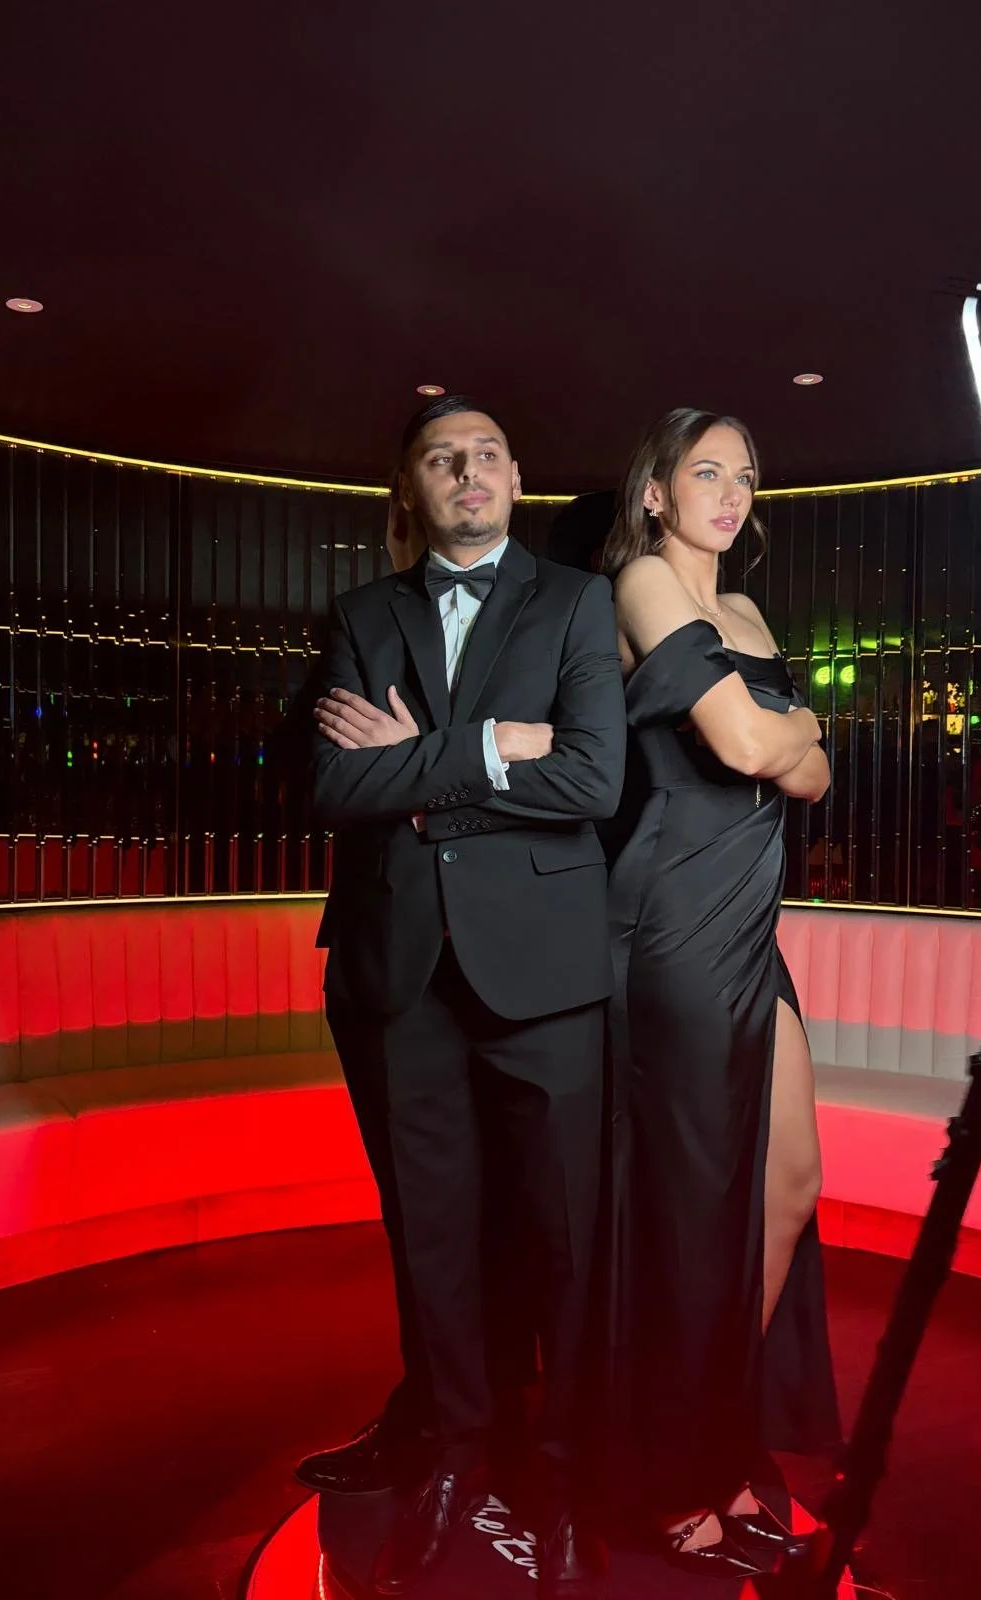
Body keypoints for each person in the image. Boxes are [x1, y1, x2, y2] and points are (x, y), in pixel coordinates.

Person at [306, 395, 624, 1597]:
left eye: (487, 454)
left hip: (544, 971)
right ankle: (451, 1456)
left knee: (563, 1237)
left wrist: (417, 771)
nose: (469, 471)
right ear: (414, 488)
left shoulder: (576, 601)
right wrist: (495, 745)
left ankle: (565, 1478)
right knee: (430, 1237)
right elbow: (334, 786)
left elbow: (593, 779)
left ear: (516, 477)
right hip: (397, 973)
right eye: (444, 458)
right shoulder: (360, 615)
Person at [603, 408, 841, 1577]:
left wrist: (786, 735)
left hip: (752, 924)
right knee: (697, 1215)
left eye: (745, 476)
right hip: (675, 925)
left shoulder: (744, 611)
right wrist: (797, 726)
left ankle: (710, 1421)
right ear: (656, 491)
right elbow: (757, 750)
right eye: (707, 471)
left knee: (789, 1183)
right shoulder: (645, 584)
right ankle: (670, 1469)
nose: (732, 492)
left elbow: (818, 775)